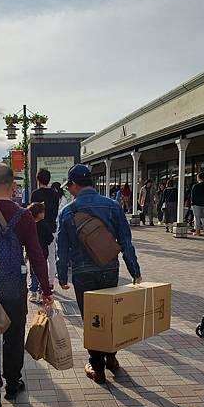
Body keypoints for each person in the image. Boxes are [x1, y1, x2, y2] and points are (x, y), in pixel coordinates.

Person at [57, 164, 142, 385]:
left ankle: (97, 368)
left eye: (70, 187)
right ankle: (112, 359)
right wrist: (135, 272)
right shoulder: (113, 206)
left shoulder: (68, 211)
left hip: (83, 274)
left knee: (92, 320)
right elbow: (126, 243)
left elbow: (62, 248)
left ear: (74, 185)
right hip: (109, 270)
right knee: (110, 316)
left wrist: (62, 277)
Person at [0, 164, 53, 401]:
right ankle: (13, 383)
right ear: (13, 187)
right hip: (14, 286)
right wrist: (46, 289)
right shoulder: (24, 216)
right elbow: (36, 254)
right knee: (13, 335)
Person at [31, 168, 59, 290]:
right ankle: (50, 283)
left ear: (38, 179)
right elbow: (56, 211)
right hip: (52, 229)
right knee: (51, 258)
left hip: (37, 230)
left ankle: (36, 285)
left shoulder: (35, 194)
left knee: (37, 257)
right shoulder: (55, 194)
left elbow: (31, 213)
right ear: (49, 179)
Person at [27, 202, 54, 303]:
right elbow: (50, 239)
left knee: (33, 272)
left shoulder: (29, 224)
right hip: (43, 251)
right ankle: (41, 291)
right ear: (39, 213)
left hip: (31, 251)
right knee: (42, 270)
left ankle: (33, 292)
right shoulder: (44, 225)